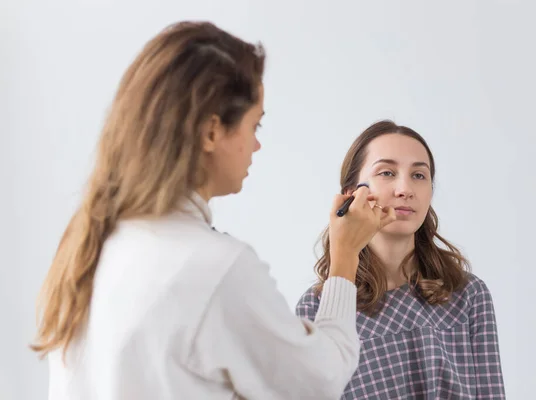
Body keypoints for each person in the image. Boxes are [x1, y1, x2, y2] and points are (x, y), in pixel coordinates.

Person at [30, 22, 397, 400]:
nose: (256, 145)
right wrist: (345, 258)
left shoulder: (92, 243)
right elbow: (320, 382)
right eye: (254, 125)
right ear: (211, 132)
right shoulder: (214, 268)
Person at [296, 120, 506, 399]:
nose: (405, 188)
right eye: (387, 172)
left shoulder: (467, 294)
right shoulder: (317, 310)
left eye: (419, 175)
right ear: (351, 192)